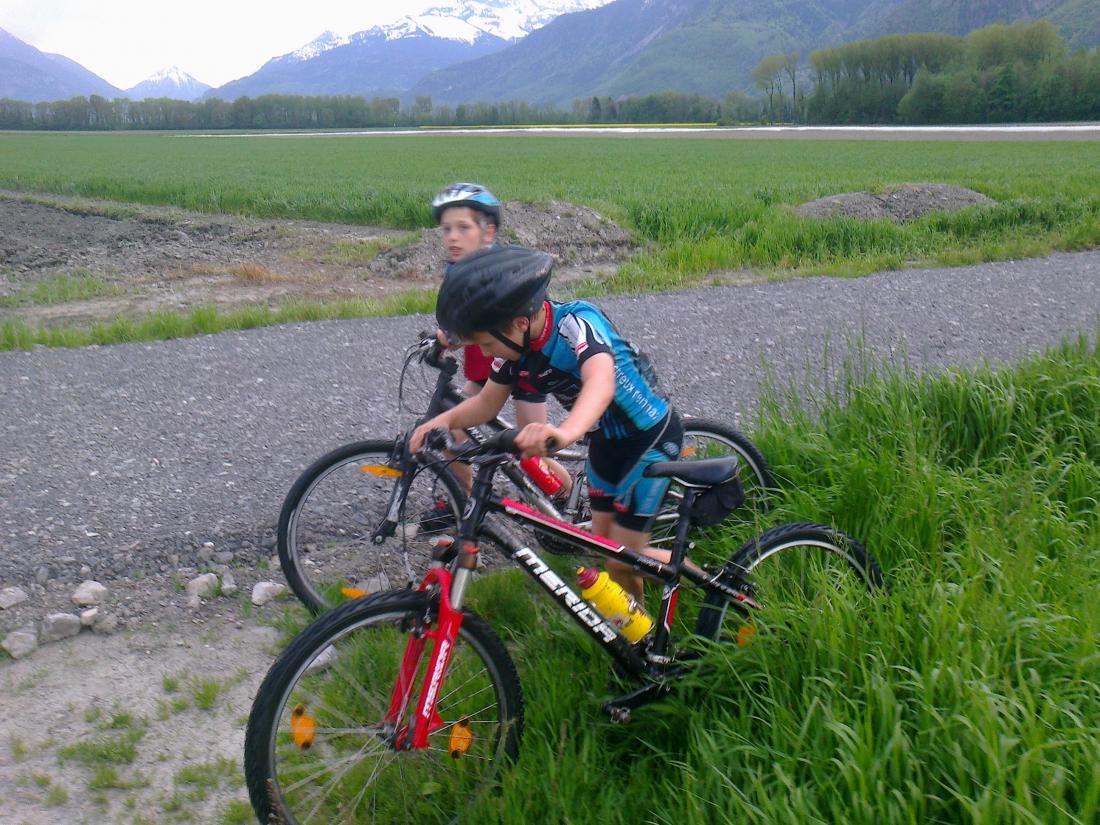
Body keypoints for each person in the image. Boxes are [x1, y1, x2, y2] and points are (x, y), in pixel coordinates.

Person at [411, 244, 682, 602]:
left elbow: (601, 382)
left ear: (520, 322)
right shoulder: (516, 348)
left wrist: (565, 431)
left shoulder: (577, 323)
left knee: (623, 558)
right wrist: (437, 423)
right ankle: (642, 627)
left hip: (648, 439)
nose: (486, 353)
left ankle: (718, 590)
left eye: (488, 343)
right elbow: (486, 404)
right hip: (606, 443)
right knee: (608, 551)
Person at [430, 182, 569, 495]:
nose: (452, 237)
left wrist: (452, 338)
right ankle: (461, 500)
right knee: (450, 425)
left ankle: (565, 496)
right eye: (446, 229)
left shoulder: (502, 277)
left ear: (489, 232)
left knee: (531, 449)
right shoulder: (457, 273)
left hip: (524, 369)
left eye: (463, 228)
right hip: (486, 372)